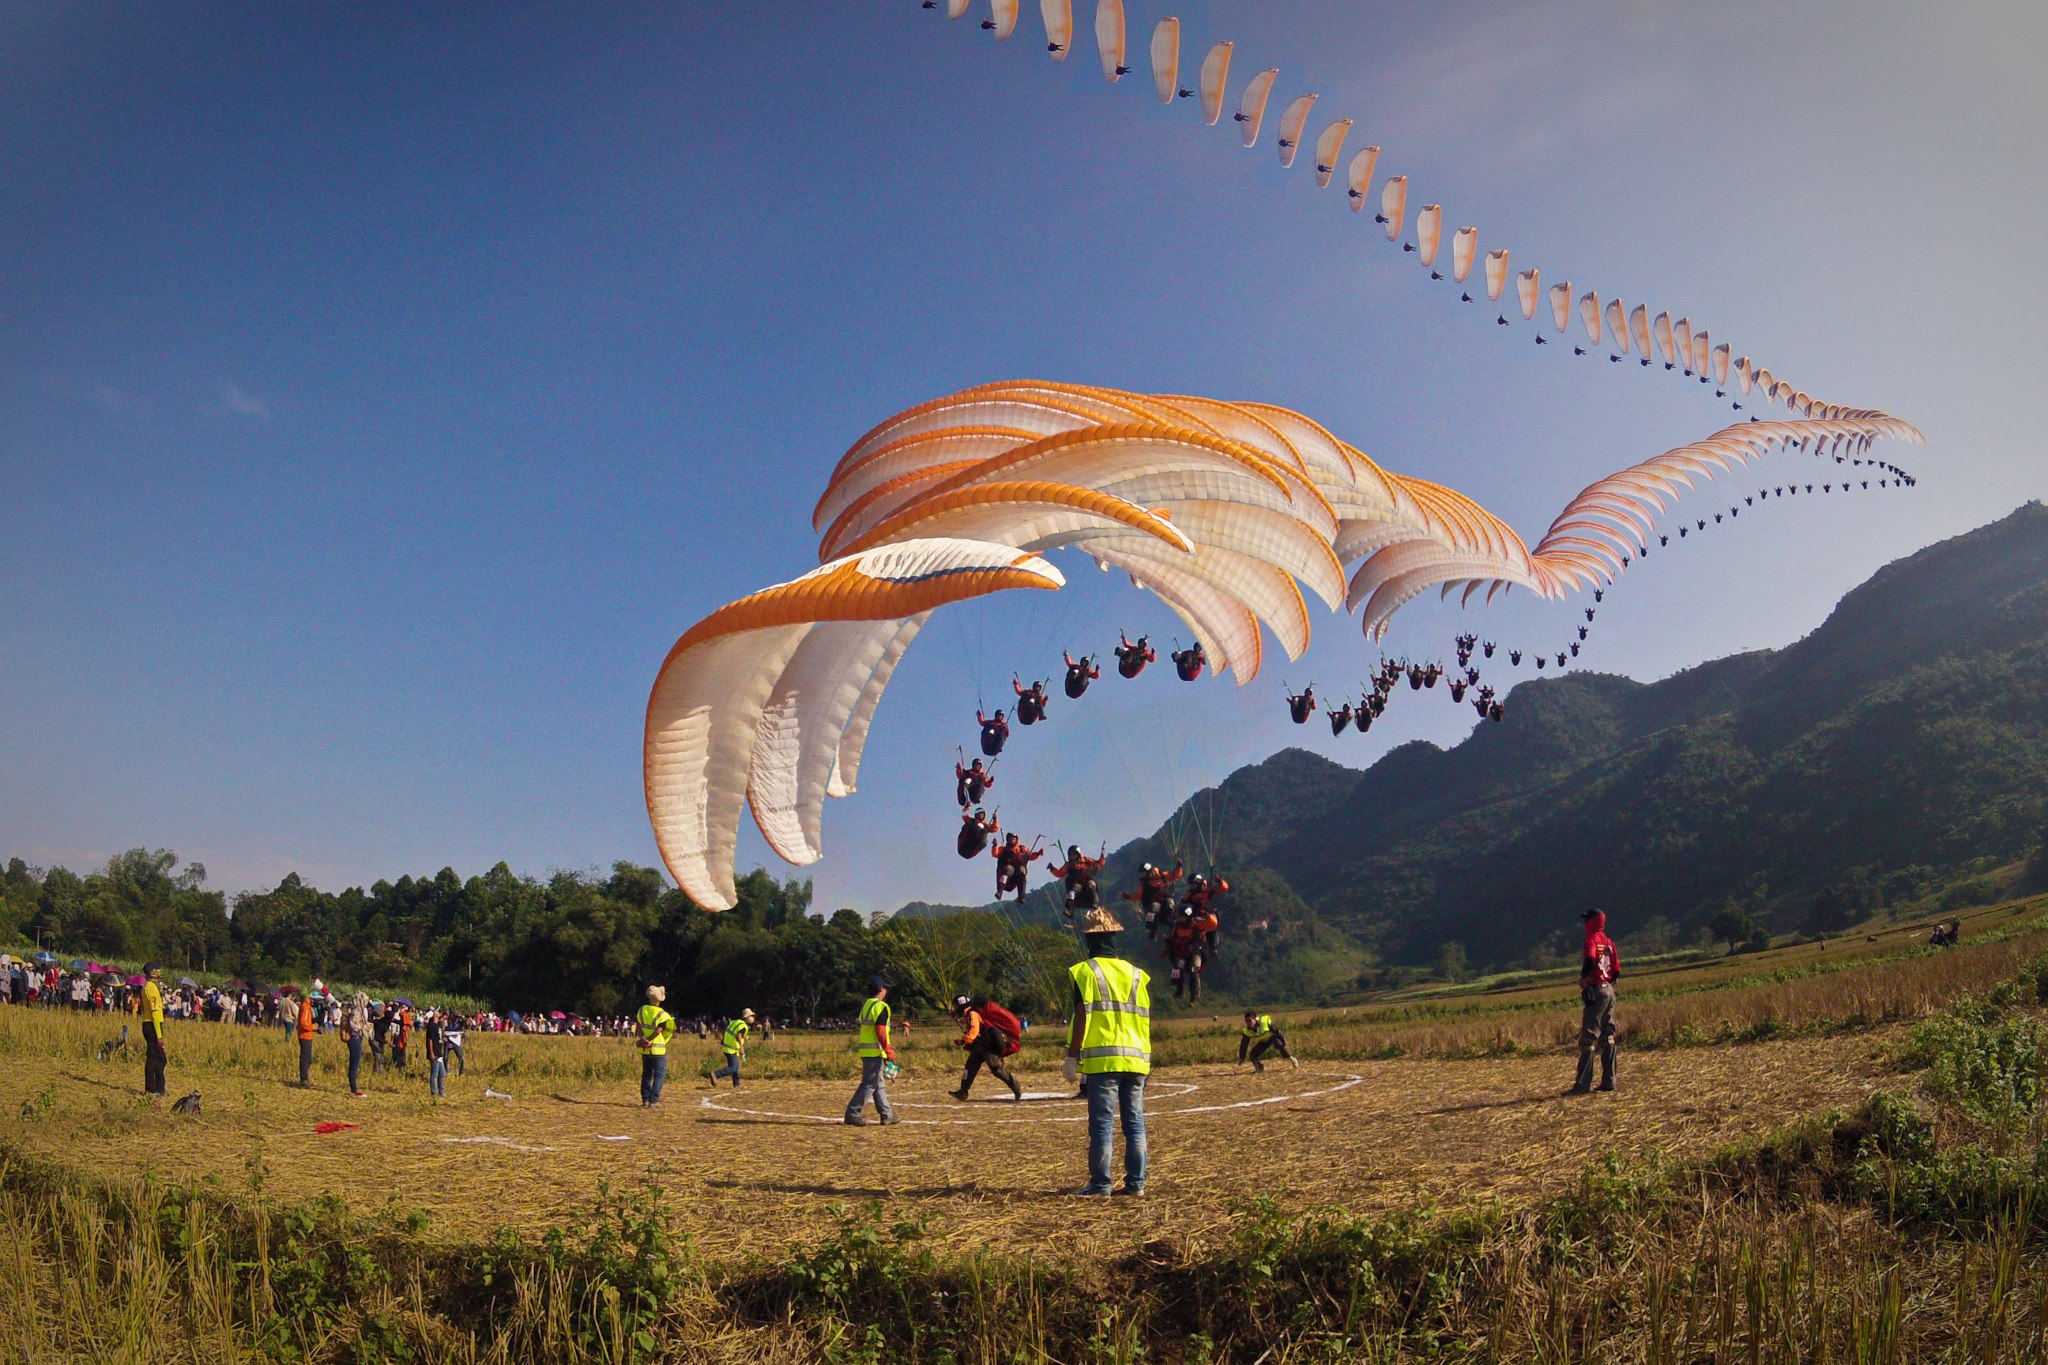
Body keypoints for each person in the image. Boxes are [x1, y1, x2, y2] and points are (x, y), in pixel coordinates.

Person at [1064, 907, 1150, 1196]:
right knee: (1135, 1124)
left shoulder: (1085, 972)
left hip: (1104, 1061)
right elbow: (1144, 1018)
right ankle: (1136, 1184)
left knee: (1102, 1125)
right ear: (1114, 936)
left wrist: (1072, 1056)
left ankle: (1101, 1184)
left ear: (1089, 939)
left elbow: (1082, 1016)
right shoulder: (1138, 974)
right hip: (1137, 1059)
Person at [1569, 910, 1620, 1095]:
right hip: (1609, 990)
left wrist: (1584, 978)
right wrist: (1607, 982)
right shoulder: (1608, 942)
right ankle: (1610, 1081)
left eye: (1586, 920)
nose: (1584, 924)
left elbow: (1590, 959)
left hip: (1596, 990)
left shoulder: (1592, 940)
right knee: (1608, 1036)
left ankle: (1582, 1085)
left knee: (1588, 1040)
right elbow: (1616, 969)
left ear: (1591, 922)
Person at [844, 975, 899, 1126]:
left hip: (867, 1051)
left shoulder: (866, 1006)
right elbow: (880, 1030)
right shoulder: (881, 1007)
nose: (886, 990)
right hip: (875, 1051)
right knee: (869, 1084)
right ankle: (852, 1113)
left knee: (877, 1084)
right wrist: (888, 1049)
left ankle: (887, 1114)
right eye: (885, 987)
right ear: (881, 989)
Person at [950, 995, 1023, 1101]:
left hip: (989, 1046)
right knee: (970, 1067)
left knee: (996, 1069)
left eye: (956, 1006)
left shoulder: (972, 1014)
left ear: (961, 1005)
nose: (955, 1008)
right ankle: (963, 1092)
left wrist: (963, 1040)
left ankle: (1016, 1087)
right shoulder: (967, 1015)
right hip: (980, 1046)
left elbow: (974, 1032)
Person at [636, 985, 676, 1107]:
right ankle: (653, 1100)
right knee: (659, 1075)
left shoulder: (642, 1010)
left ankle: (645, 1099)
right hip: (658, 1049)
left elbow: (638, 1028)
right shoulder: (662, 1014)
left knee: (647, 1074)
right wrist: (649, 1039)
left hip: (645, 1049)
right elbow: (659, 1030)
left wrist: (643, 1039)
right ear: (659, 999)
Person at [1122, 859, 1183, 939]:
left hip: (1165, 901)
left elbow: (1175, 876)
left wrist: (1178, 868)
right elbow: (1138, 896)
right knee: (1154, 907)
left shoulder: (1163, 876)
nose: (1142, 876)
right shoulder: (1143, 884)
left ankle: (1171, 922)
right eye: (1141, 874)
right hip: (1152, 903)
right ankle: (1152, 929)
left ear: (1149, 872)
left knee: (1170, 903)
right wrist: (1129, 897)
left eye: (1143, 874)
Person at [1047, 845, 1104, 924]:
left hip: (1087, 881)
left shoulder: (1086, 860)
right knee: (1072, 893)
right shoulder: (1068, 865)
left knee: (1091, 885)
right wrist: (1052, 869)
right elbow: (1060, 873)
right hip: (1077, 884)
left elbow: (1098, 864)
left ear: (1078, 854)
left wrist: (1102, 858)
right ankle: (1069, 911)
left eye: (1074, 854)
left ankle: (1095, 904)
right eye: (1070, 855)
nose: (1072, 856)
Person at [139, 962, 168, 1097]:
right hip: (152, 1025)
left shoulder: (148, 987)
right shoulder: (151, 988)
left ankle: (159, 1087)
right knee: (154, 1058)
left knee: (160, 1058)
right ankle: (151, 1089)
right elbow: (155, 1011)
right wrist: (159, 1035)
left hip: (149, 1024)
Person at [711, 1008, 754, 1087]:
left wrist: (723, 1040)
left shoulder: (734, 1022)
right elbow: (739, 1036)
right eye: (751, 1016)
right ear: (746, 1017)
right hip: (732, 1049)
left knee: (736, 1068)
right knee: (733, 1068)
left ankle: (736, 1084)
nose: (752, 1017)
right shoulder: (743, 1026)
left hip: (727, 1047)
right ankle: (716, 1074)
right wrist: (741, 1047)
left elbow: (728, 1031)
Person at [993, 832, 1042, 899]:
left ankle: (1021, 897)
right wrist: (995, 845)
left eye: (1014, 839)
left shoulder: (1023, 849)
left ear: (1016, 839)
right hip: (1008, 871)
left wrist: (1038, 854)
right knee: (1009, 869)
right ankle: (1000, 892)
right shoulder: (1003, 849)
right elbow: (995, 854)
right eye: (1010, 839)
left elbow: (1030, 856)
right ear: (1007, 839)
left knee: (1022, 872)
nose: (1012, 840)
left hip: (1018, 873)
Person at [341, 991, 369, 1098]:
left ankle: (354, 1088)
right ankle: (354, 1089)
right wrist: (365, 1028)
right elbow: (355, 1026)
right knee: (354, 1064)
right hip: (355, 1038)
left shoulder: (357, 1011)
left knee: (355, 1063)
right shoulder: (356, 1012)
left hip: (356, 1039)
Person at [295, 989, 317, 1087]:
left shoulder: (305, 1006)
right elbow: (304, 1023)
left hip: (306, 1035)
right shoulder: (305, 1006)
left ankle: (305, 1078)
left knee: (307, 1057)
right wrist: (312, 1027)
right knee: (306, 1057)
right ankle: (304, 1079)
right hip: (305, 1035)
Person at [424, 1009, 448, 1099]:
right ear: (434, 1015)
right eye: (437, 1012)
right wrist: (431, 1053)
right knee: (434, 1074)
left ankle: (441, 1092)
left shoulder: (437, 1025)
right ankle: (434, 1093)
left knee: (442, 1073)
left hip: (439, 1052)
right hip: (434, 1053)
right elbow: (430, 1040)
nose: (439, 1013)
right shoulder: (431, 1026)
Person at [392, 1003, 412, 1074]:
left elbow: (406, 1025)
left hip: (402, 1039)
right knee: (399, 1054)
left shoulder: (403, 1014)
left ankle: (401, 1068)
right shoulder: (400, 1015)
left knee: (401, 1054)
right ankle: (399, 1068)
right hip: (399, 1039)